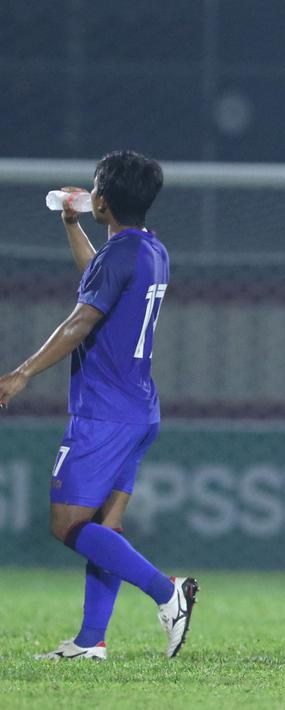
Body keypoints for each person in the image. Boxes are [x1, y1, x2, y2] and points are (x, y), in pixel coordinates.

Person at [0, 150, 197, 660]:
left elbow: (81, 320)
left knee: (67, 525)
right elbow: (101, 279)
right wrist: (71, 225)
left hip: (104, 412)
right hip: (139, 409)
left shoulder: (121, 256)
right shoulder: (151, 249)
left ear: (102, 201)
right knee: (105, 527)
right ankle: (91, 641)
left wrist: (20, 374)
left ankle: (166, 591)